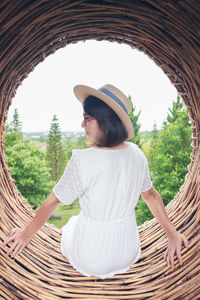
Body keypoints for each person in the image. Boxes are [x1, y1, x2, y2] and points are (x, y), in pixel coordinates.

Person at [0, 84, 189, 279]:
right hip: (127, 251)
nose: (82, 125)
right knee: (77, 222)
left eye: (87, 119)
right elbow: (150, 195)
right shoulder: (136, 153)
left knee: (72, 225)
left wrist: (26, 234)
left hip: (91, 257)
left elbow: (54, 201)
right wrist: (172, 235)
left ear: (106, 122)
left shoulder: (83, 160)